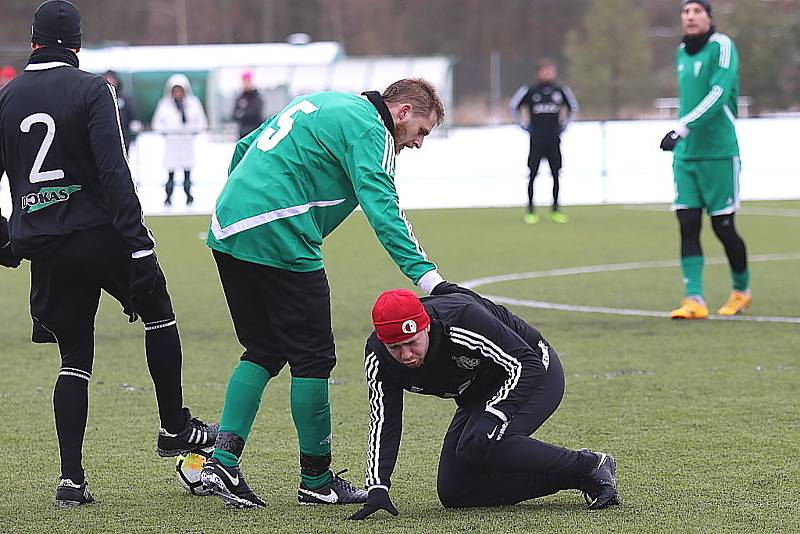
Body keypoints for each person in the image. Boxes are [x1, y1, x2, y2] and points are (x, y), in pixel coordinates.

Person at [0, 0, 216, 507]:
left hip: (46, 244)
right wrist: (139, 244)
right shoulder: (93, 88)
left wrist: (8, 237)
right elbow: (114, 171)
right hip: (101, 234)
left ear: (33, 42)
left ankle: (71, 480)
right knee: (158, 314)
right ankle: (172, 426)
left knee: (74, 359)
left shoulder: (6, 97)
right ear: (76, 44)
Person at [200, 79, 449, 509]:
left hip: (228, 226)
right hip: (281, 231)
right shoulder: (374, 129)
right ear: (403, 111)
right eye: (422, 131)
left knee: (262, 349)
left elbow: (245, 147)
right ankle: (316, 480)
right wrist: (429, 279)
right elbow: (383, 207)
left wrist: (246, 203)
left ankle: (222, 460)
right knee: (313, 358)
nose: (419, 143)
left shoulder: (324, 100)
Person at [348, 287, 621, 520]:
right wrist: (378, 485)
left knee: (481, 440)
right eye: (395, 348)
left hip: (534, 370)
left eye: (412, 342)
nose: (406, 355)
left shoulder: (460, 321)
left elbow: (527, 365)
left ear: (426, 327)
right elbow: (384, 419)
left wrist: (493, 416)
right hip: (481, 389)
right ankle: (575, 476)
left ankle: (590, 464)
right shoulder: (378, 356)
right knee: (456, 491)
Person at [659, 0, 751, 319]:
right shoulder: (682, 52)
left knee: (723, 226)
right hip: (687, 155)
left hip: (718, 153)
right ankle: (694, 299)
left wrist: (681, 127)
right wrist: (682, 134)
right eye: (685, 12)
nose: (690, 17)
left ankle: (741, 291)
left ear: (709, 17)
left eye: (697, 11)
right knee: (687, 222)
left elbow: (717, 95)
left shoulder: (722, 46)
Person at [510, 59, 579, 224]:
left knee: (555, 175)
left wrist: (564, 126)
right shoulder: (530, 90)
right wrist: (524, 126)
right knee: (533, 175)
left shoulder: (560, 90)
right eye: (544, 71)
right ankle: (531, 211)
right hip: (536, 139)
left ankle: (555, 209)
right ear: (538, 73)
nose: (547, 74)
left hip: (554, 139)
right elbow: (513, 106)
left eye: (550, 71)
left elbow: (574, 108)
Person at [151, 74, 208, 206]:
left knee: (187, 172)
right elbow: (157, 123)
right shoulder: (164, 104)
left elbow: (202, 122)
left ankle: (189, 196)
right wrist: (168, 132)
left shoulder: (193, 103)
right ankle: (168, 197)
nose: (177, 93)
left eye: (180, 90)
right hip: (172, 143)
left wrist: (192, 131)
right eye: (175, 90)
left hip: (187, 142)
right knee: (170, 172)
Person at [103, 70, 142, 153]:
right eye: (107, 79)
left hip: (124, 137)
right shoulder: (99, 99)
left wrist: (134, 128)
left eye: (112, 79)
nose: (110, 81)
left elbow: (133, 115)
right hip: (105, 138)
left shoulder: (124, 98)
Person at [232, 71, 264, 139]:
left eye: (248, 81)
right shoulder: (240, 98)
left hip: (255, 132)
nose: (246, 84)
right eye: (244, 81)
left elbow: (257, 114)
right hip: (242, 133)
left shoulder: (257, 97)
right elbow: (234, 115)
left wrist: (243, 113)